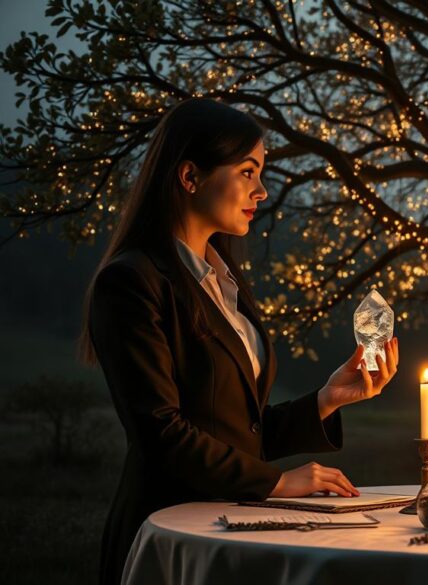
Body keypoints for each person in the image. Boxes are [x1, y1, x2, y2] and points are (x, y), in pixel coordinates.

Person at [78, 98, 399, 584]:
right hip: (173, 533)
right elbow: (160, 432)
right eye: (247, 172)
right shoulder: (132, 282)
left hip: (234, 526)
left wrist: (325, 401)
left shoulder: (224, 282)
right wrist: (278, 482)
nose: (262, 191)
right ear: (190, 177)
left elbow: (235, 430)